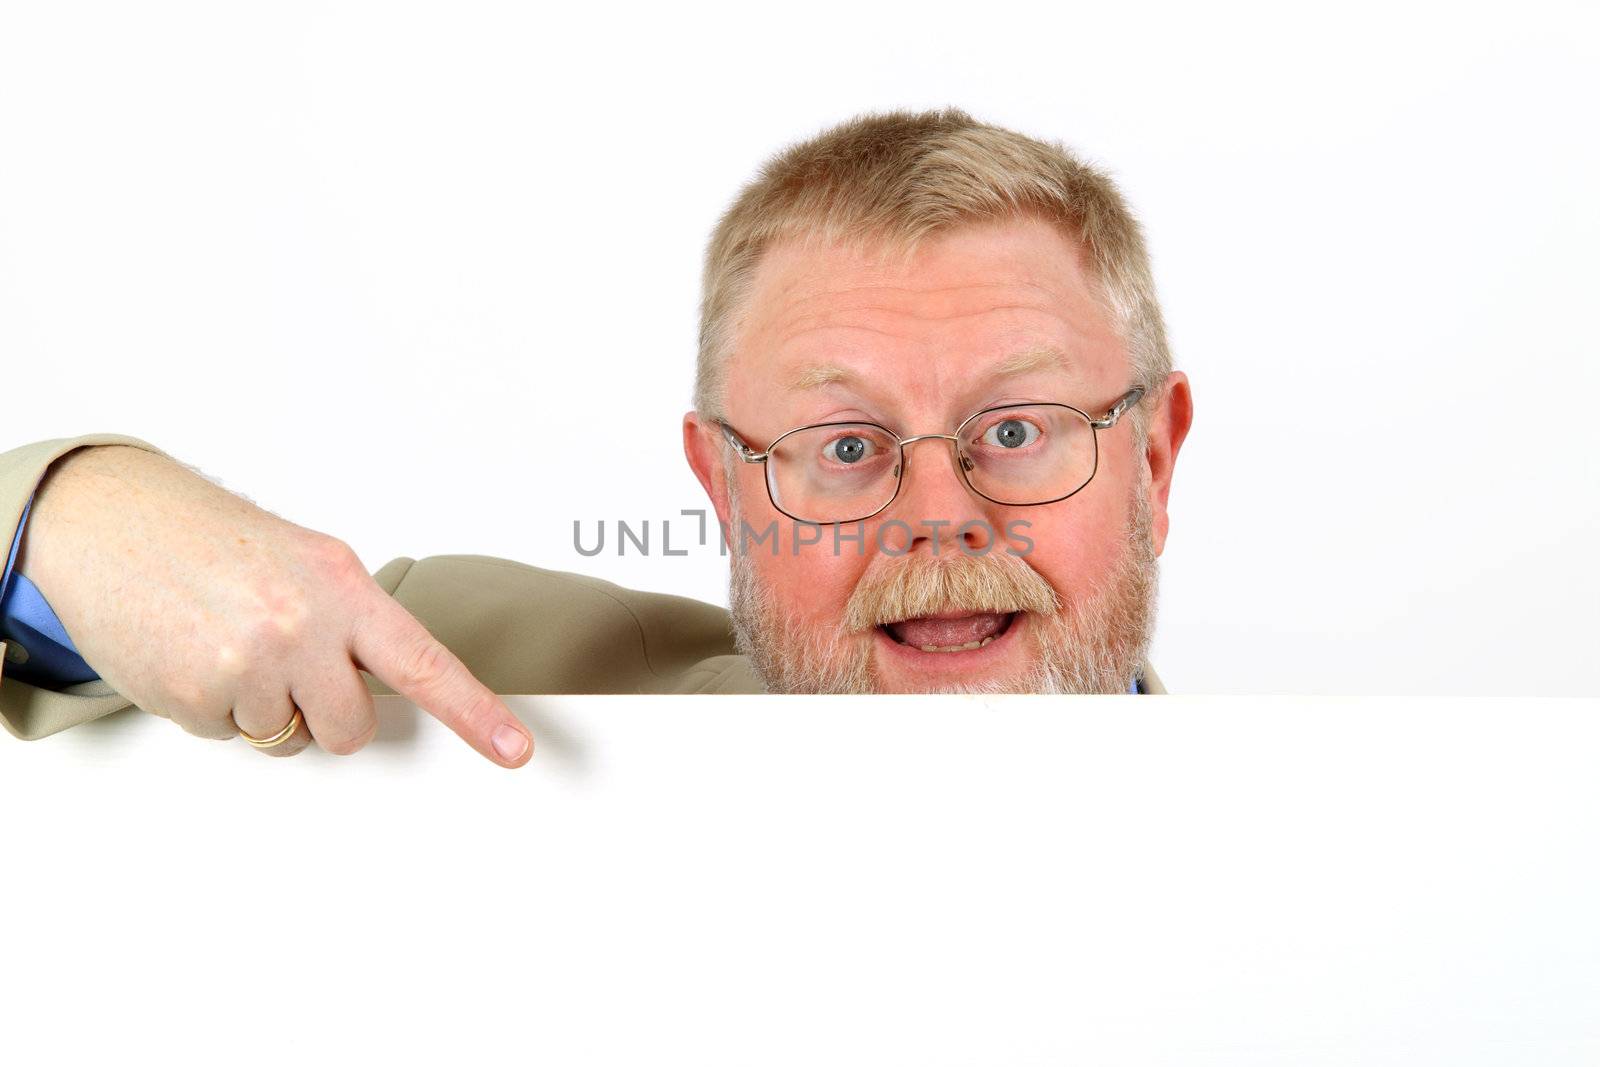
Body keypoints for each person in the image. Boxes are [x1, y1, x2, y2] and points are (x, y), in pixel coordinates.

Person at [0, 107, 1193, 767]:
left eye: (1018, 427)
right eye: (842, 445)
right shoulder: (501, 676)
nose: (937, 510)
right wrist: (78, 509)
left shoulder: (1363, 878)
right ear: (722, 485)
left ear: (1152, 458)